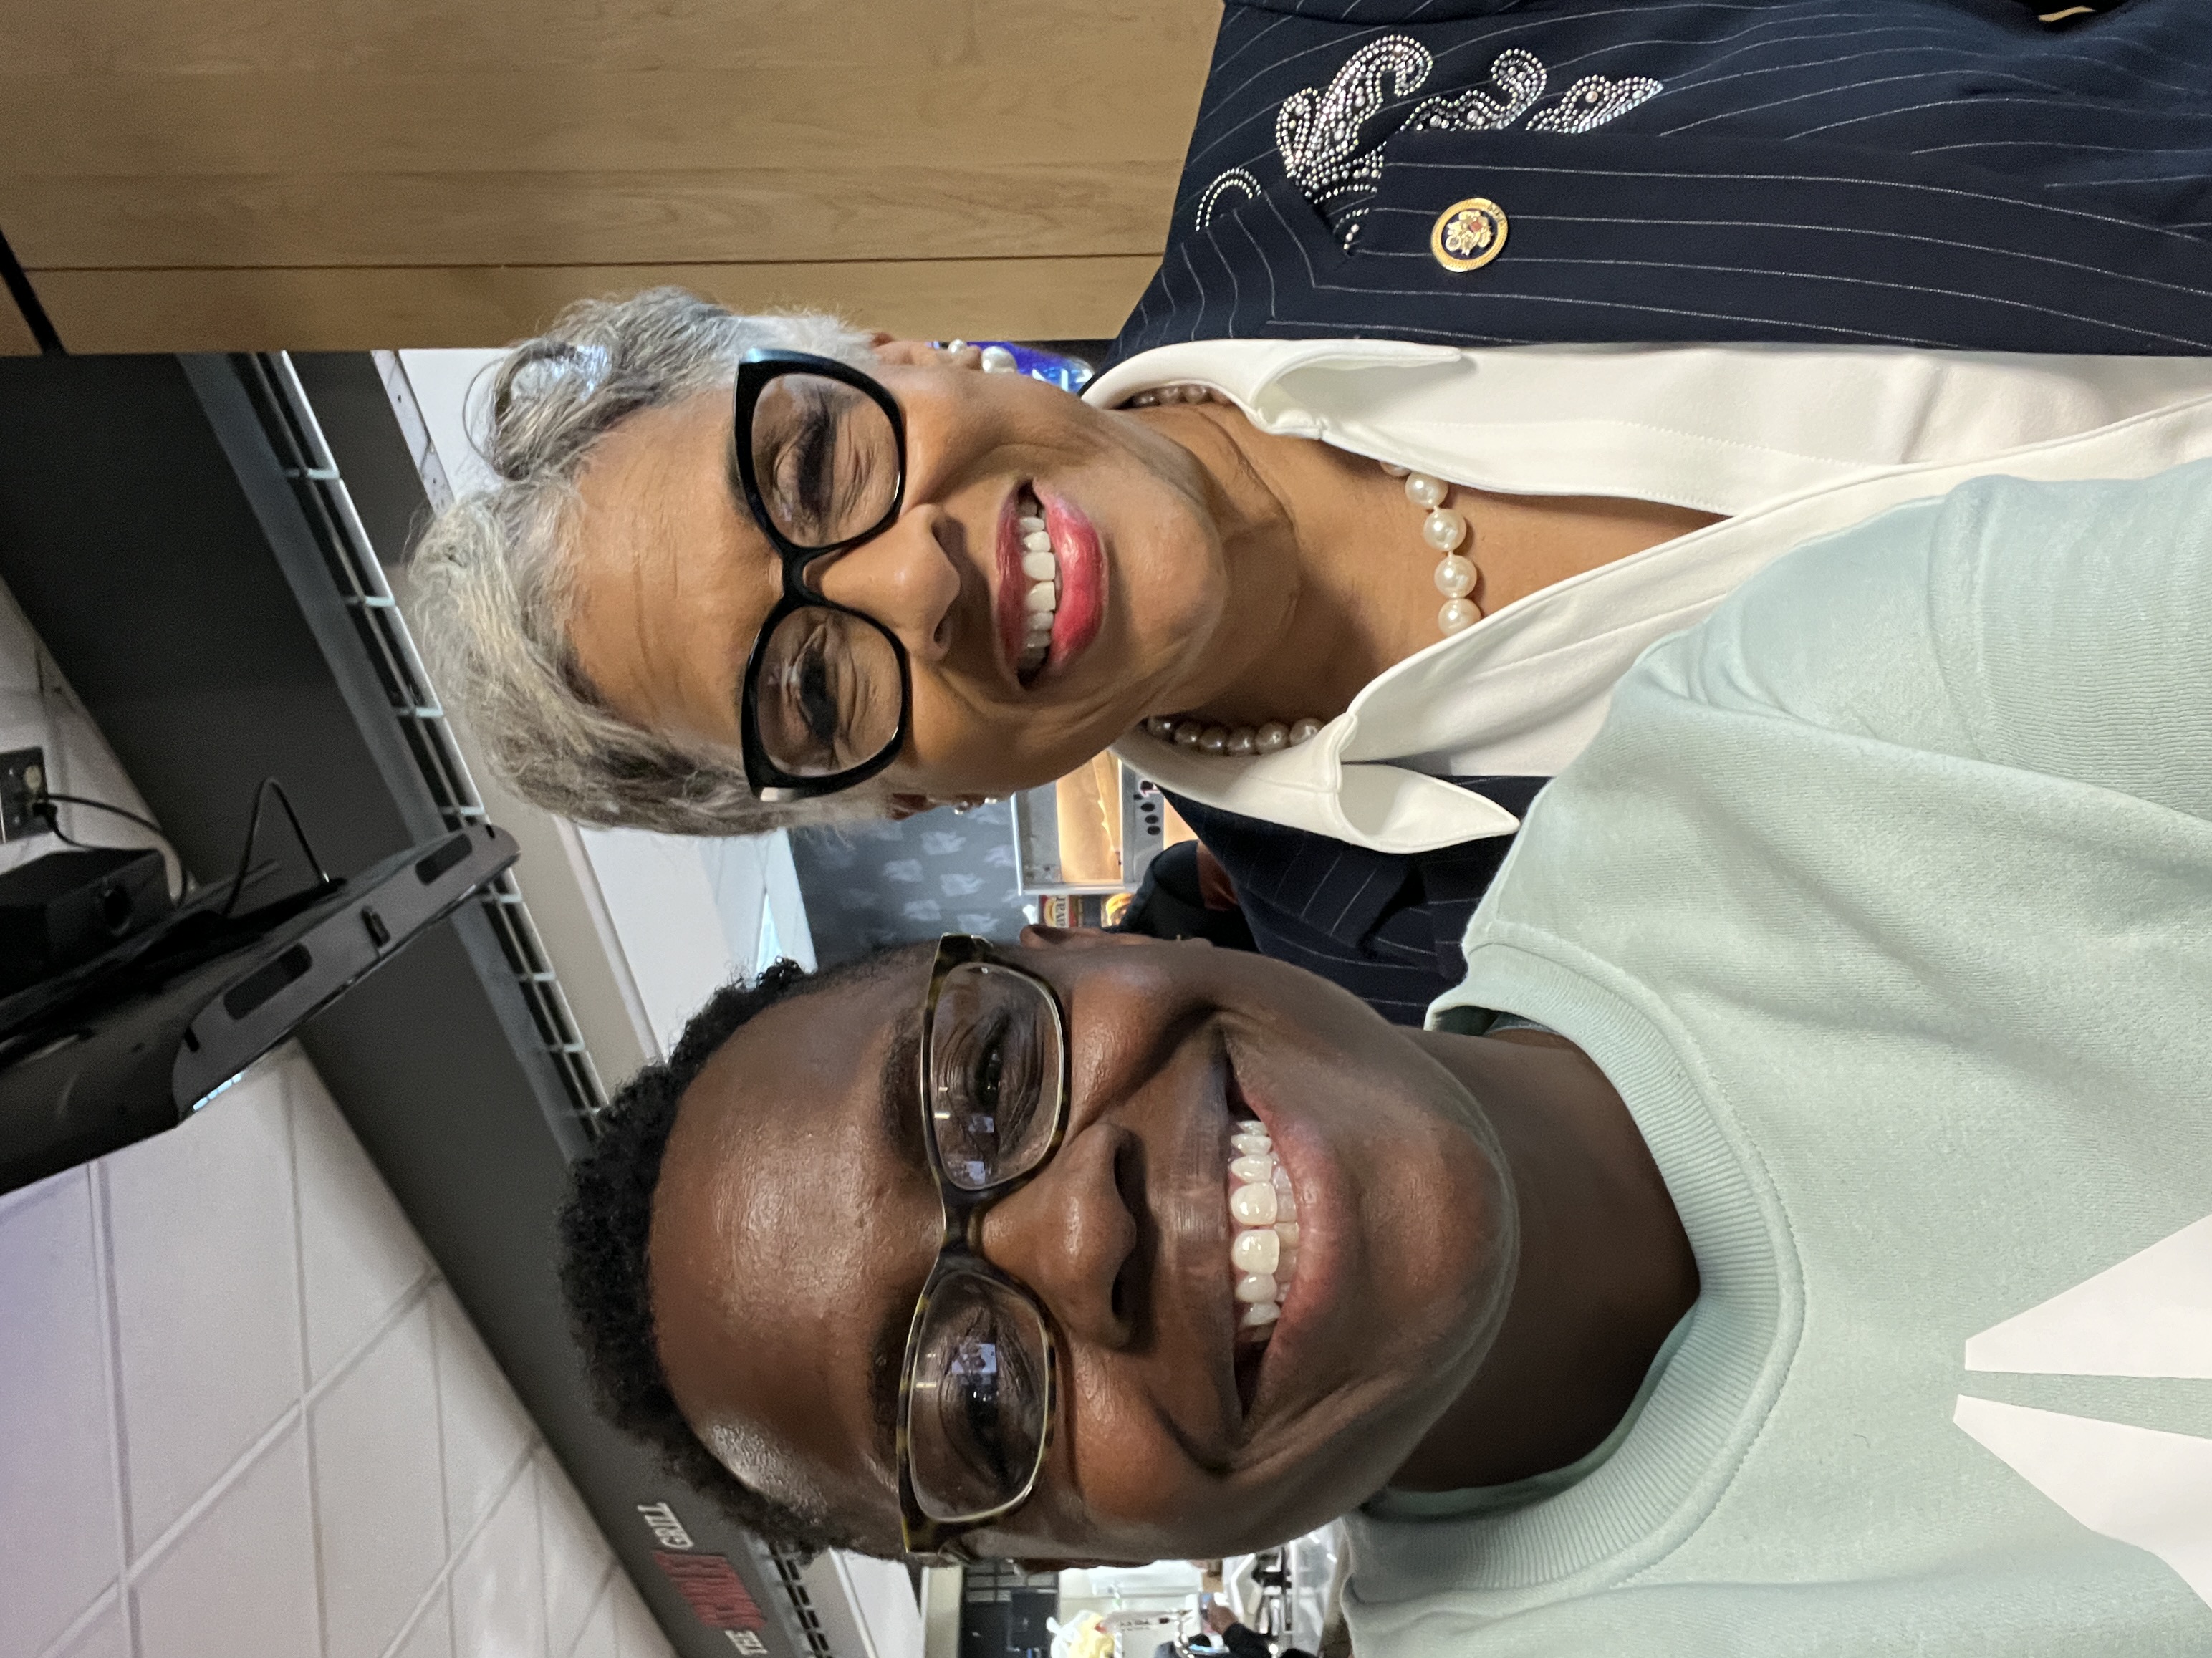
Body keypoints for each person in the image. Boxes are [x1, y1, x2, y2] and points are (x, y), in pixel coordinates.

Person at [556, 459, 2212, 1653]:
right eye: (977, 1403)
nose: (1079, 1234)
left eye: (984, 1083)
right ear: (1063, 1556)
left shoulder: (1815, 729)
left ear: (1072, 942)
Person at [410, 0, 2212, 1019]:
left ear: (887, 348)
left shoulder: (1353, 64)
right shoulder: (1452, 998)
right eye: (813, 687)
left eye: (814, 465)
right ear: (901, 797)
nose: (910, 579)